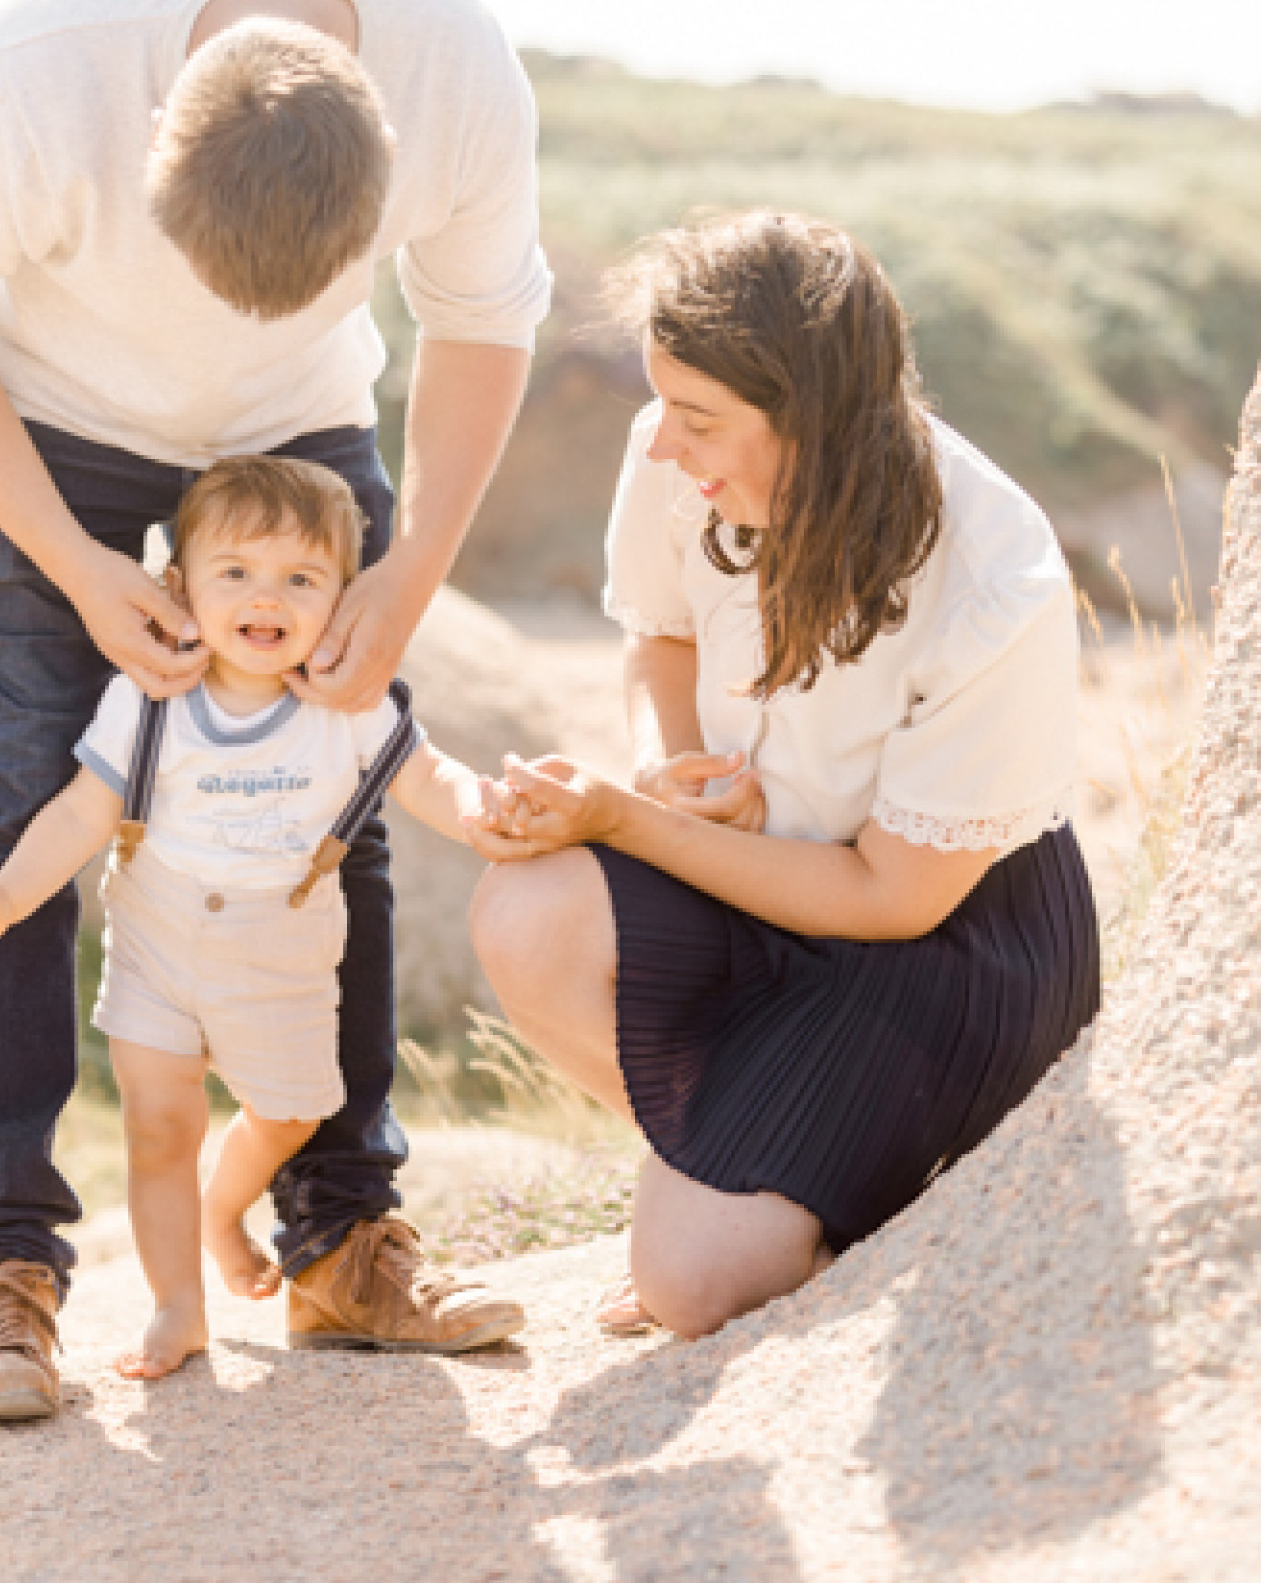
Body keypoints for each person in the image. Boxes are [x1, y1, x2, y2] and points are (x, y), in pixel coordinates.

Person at [0, 0, 548, 1424]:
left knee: (337, 785)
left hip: (301, 428)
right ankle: (0, 1275)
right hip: (45, 423)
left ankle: (343, 1240)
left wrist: (406, 584)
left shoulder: (457, 69)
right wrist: (79, 565)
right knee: (14, 792)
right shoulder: (30, 81)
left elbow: (479, 320)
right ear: (154, 136)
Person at [469, 209, 1101, 1340]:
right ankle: (728, 1162)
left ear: (813, 418)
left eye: (699, 419)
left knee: (692, 1290)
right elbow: (658, 639)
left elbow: (892, 895)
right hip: (744, 872)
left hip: (943, 944)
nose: (664, 442)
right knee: (526, 912)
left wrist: (623, 820)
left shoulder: (995, 573)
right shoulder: (678, 460)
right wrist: (670, 765)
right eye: (664, 403)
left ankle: (774, 1197)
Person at [0, 455, 522, 1387]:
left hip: (283, 952)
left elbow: (429, 778)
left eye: (301, 579)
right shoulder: (152, 700)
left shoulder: (347, 705)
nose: (266, 597)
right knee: (159, 1126)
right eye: (235, 573)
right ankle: (176, 1308)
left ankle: (223, 1212)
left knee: (291, 1111)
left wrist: (484, 809)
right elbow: (83, 812)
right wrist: (2, 898)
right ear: (180, 588)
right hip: (161, 938)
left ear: (343, 599)